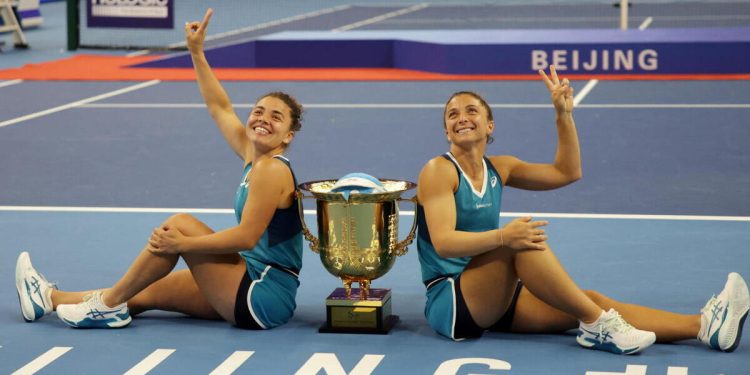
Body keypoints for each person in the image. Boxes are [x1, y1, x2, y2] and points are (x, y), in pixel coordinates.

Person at [415, 66, 749, 354]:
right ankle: (598, 326)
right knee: (521, 243)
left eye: (472, 111)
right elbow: (444, 243)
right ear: (446, 130)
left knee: (588, 300)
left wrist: (564, 115)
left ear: (490, 126)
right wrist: (504, 236)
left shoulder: (500, 168)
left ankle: (704, 326)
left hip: (493, 295)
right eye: (453, 114)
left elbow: (567, 172)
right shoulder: (438, 171)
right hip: (452, 301)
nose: (462, 118)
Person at [15, 8, 304, 330]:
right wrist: (196, 51)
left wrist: (183, 246)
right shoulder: (255, 157)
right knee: (142, 291)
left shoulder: (272, 170)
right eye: (259, 111)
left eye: (276, 117)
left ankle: (106, 307)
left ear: (289, 135)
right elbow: (219, 107)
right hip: (246, 278)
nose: (263, 119)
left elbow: (247, 237)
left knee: (179, 225)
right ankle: (49, 298)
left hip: (262, 294)